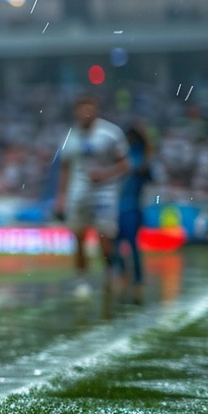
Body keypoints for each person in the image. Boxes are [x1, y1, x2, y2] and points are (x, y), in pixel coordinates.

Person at [54, 95, 129, 298]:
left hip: (105, 192)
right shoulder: (70, 136)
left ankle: (110, 273)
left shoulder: (111, 133)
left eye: (89, 109)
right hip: (77, 193)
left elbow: (125, 164)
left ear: (95, 110)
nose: (85, 113)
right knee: (78, 238)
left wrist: (105, 175)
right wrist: (60, 197)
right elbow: (65, 168)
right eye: (81, 109)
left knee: (105, 238)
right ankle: (82, 281)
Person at [116, 123, 153, 303]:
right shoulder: (121, 155)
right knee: (115, 245)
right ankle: (124, 276)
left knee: (132, 245)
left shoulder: (141, 156)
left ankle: (137, 281)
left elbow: (146, 172)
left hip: (132, 208)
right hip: (117, 207)